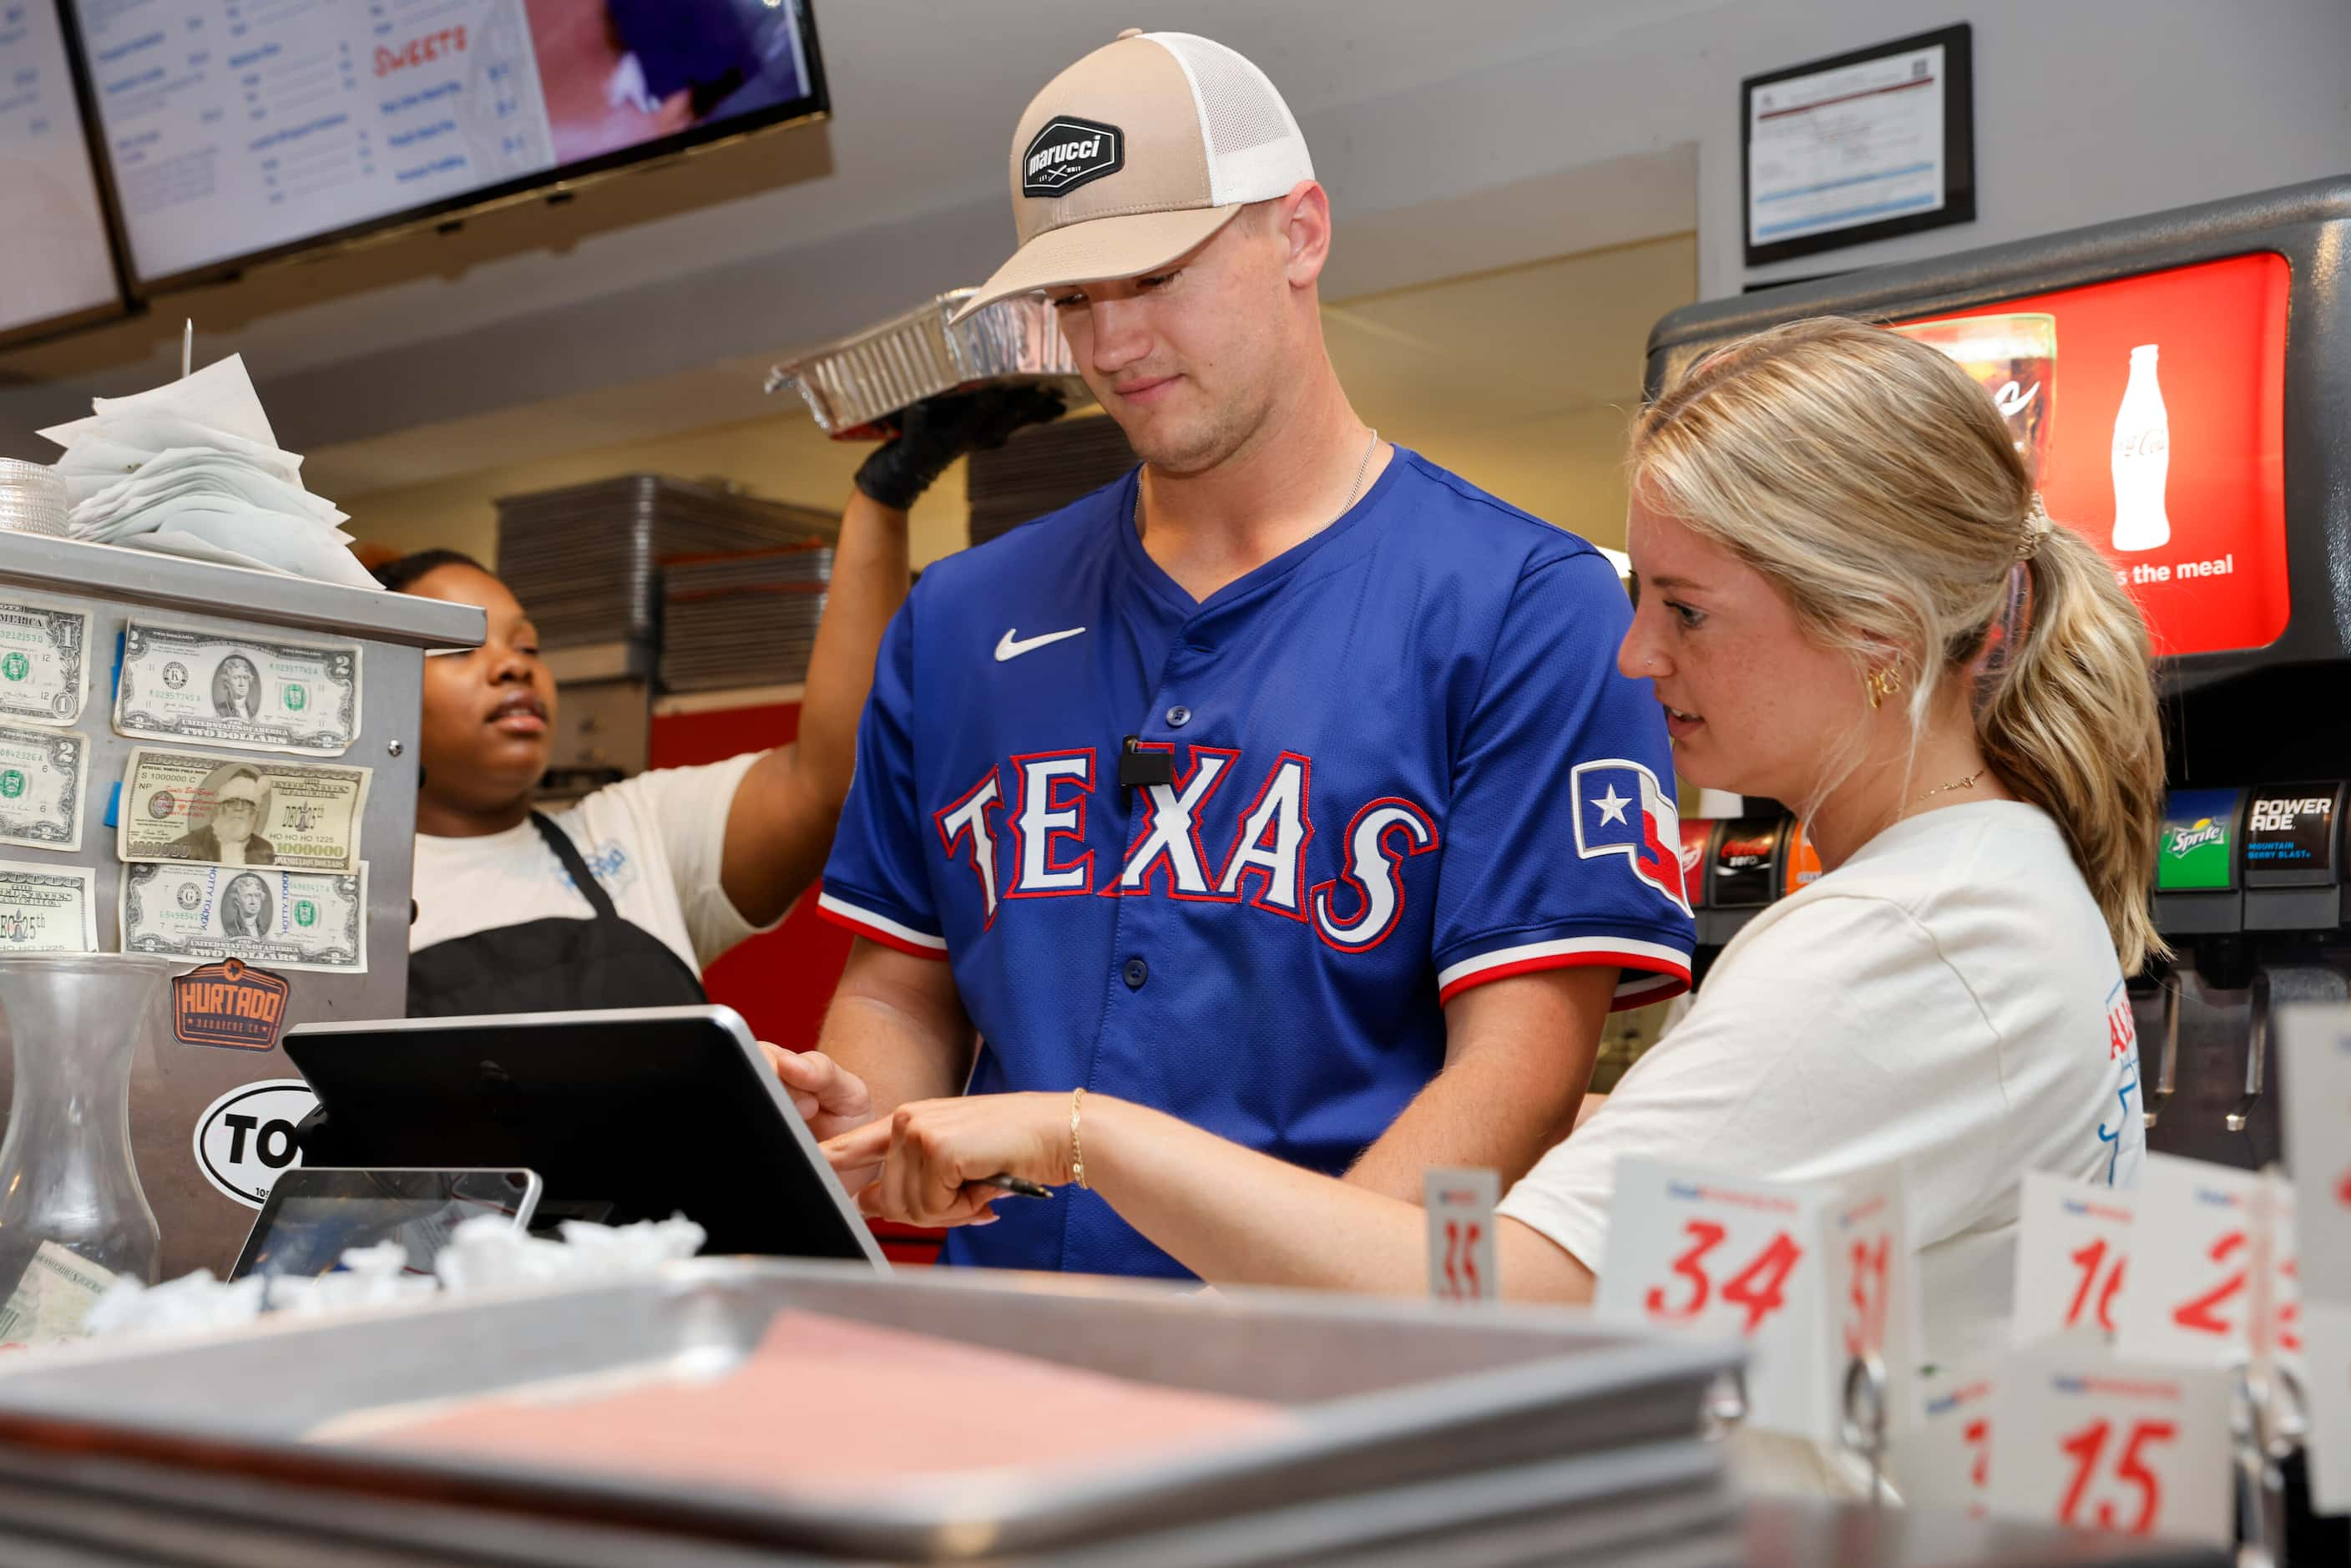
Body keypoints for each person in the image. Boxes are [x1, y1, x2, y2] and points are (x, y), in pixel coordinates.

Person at [826, 318, 2161, 1378]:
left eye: (1687, 612)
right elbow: (1779, 1145)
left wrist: (1083, 1134)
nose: (1639, 657)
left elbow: (1489, 1295)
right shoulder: (1984, 886)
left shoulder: (1900, 944)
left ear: (1877, 630)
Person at [788, 29, 1693, 1282]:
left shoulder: (1530, 603)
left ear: (1302, 233)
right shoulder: (956, 614)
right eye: (1074, 301)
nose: (1112, 346)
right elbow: (899, 989)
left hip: (1339, 1396)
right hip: (1008, 1368)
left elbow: (1518, 1083)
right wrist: (872, 1123)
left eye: (1156, 274)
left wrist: (1280, 1337)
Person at [377, 387, 1061, 1018]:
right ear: (379, 686)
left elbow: (828, 779)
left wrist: (884, 498)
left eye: (528, 647)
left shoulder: (629, 832)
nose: (512, 669)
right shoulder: (341, 902)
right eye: (463, 649)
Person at [172, 769, 276, 866]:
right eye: (232, 802)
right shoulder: (188, 845)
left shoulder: (264, 848)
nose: (239, 808)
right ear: (220, 807)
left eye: (247, 803)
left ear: (255, 812)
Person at [220, 872, 273, 938]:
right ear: (237, 901)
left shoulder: (263, 930)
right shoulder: (229, 931)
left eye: (257, 896)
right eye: (248, 896)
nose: (253, 902)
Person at [213, 655, 264, 721]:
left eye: (245, 677)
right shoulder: (220, 712)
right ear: (227, 682)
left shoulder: (252, 714)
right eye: (236, 678)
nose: (242, 684)